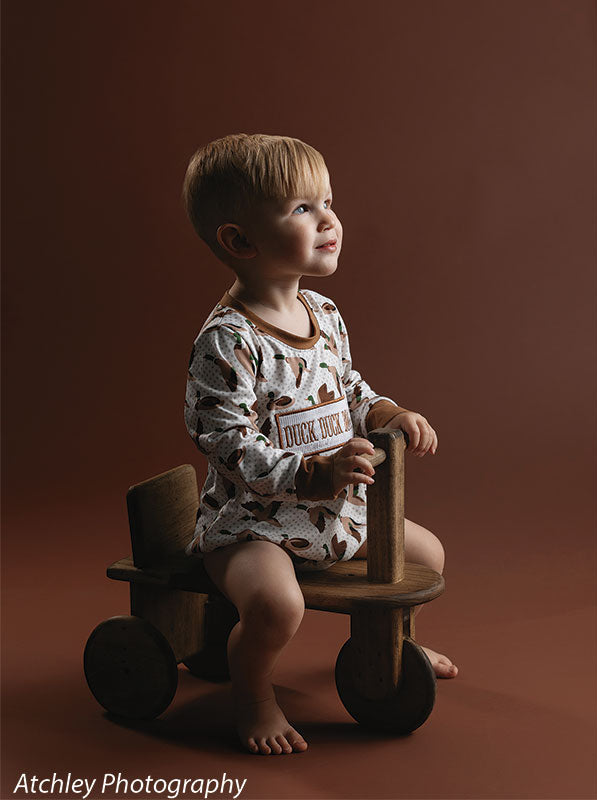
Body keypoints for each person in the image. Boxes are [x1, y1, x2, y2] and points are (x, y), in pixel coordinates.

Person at [181, 133, 458, 756]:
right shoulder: (230, 342)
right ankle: (253, 697)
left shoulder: (323, 314)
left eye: (328, 202)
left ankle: (391, 644)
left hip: (332, 513)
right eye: (302, 208)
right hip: (255, 522)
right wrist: (314, 473)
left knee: (427, 557)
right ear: (240, 240)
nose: (329, 219)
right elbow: (225, 443)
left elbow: (349, 388)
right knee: (279, 606)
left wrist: (388, 410)